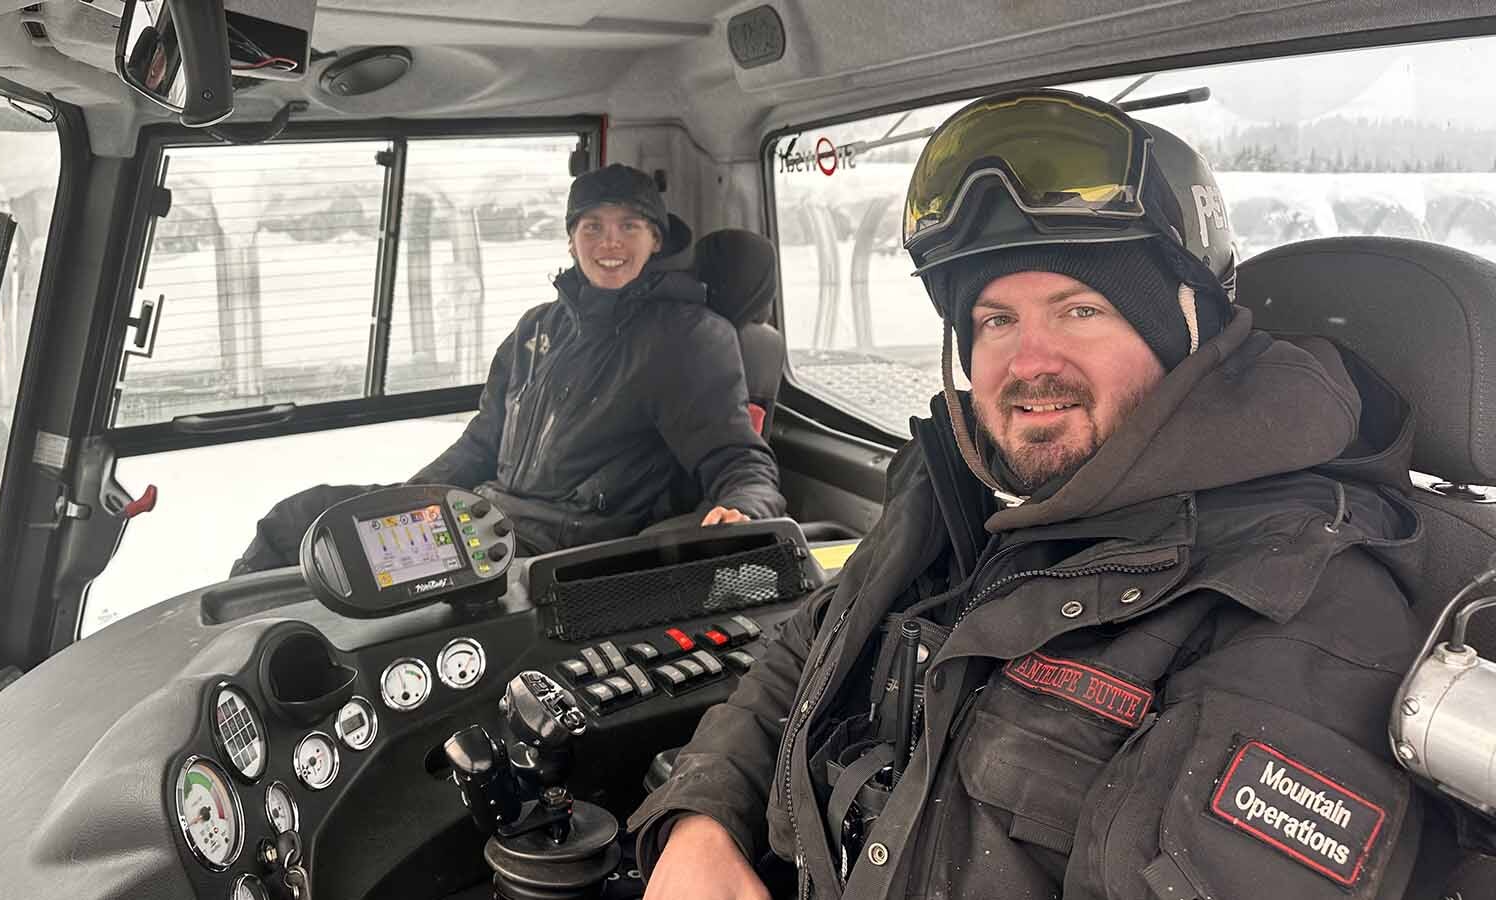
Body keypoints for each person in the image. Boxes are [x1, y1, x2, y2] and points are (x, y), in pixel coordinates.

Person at [630, 89, 1426, 899]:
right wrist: (702, 816)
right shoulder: (965, 488)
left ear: (1183, 332)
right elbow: (809, 647)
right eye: (996, 320)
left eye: (1080, 310)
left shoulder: (1300, 608)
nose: (1027, 364)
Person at [230, 164, 785, 572]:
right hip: (484, 516)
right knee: (300, 520)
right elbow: (481, 442)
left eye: (629, 226)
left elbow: (736, 455)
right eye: (592, 226)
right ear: (571, 241)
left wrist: (742, 507)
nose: (609, 242)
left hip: (554, 547)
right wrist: (408, 497)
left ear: (655, 240)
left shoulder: (687, 338)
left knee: (350, 565)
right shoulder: (536, 329)